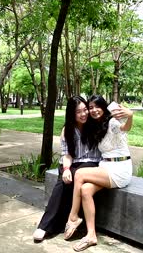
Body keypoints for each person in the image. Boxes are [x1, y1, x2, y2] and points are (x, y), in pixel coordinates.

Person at [63, 95, 134, 251]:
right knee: (85, 189)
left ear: (103, 107)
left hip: (120, 168)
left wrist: (130, 116)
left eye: (97, 107)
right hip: (105, 167)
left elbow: (125, 128)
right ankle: (91, 235)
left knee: (80, 174)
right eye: (91, 107)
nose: (93, 110)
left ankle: (73, 217)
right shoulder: (97, 126)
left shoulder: (112, 122)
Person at [32, 96, 102, 241]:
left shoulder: (95, 125)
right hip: (74, 163)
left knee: (73, 176)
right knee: (63, 181)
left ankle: (47, 226)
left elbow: (108, 115)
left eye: (85, 110)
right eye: (78, 112)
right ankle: (48, 225)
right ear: (72, 114)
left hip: (92, 164)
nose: (83, 114)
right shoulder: (68, 130)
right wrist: (66, 169)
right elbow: (67, 155)